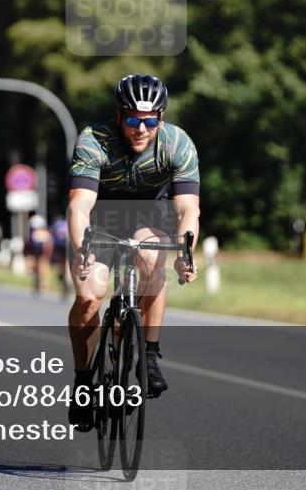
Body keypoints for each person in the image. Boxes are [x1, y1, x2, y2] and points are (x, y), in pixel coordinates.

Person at [66, 73, 200, 431]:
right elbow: (80, 205)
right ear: (118, 116)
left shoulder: (178, 144)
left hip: (147, 217)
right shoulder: (94, 139)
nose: (141, 128)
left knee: (154, 257)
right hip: (100, 218)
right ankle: (83, 381)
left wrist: (186, 252)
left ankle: (150, 355)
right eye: (133, 120)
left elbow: (188, 209)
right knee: (90, 299)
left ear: (161, 118)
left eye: (150, 120)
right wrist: (82, 250)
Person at [26, 214, 54, 293]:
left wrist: (48, 254)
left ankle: (42, 283)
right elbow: (28, 244)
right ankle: (37, 283)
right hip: (35, 251)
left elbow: (49, 245)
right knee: (33, 265)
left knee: (42, 264)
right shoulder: (31, 234)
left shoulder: (45, 234)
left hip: (43, 252)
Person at [50, 216, 70, 298]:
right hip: (66, 247)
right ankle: (66, 281)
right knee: (66, 264)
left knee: (61, 264)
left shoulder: (57, 224)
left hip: (59, 247)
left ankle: (64, 279)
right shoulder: (71, 222)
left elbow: (52, 235)